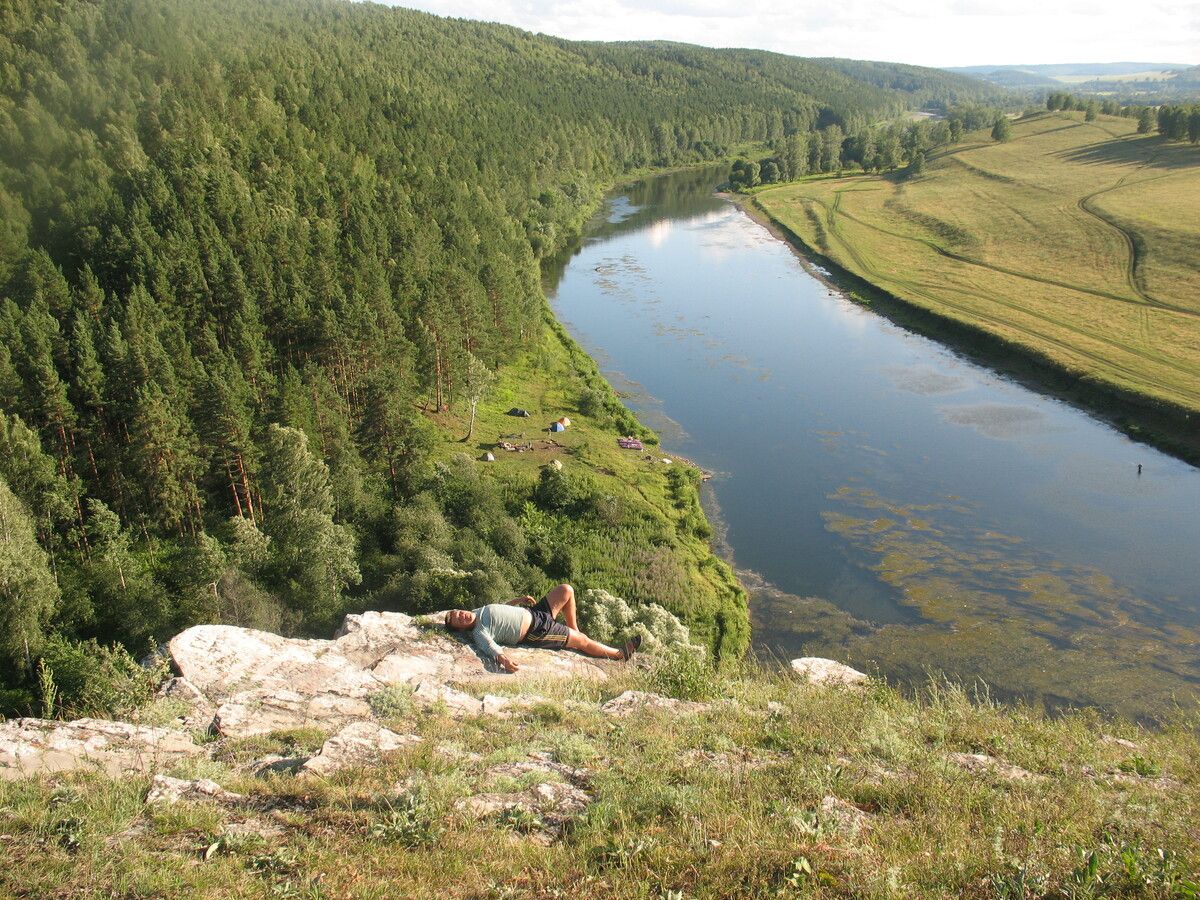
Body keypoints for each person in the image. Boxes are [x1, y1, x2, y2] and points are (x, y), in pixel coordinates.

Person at [445, 583, 639, 673]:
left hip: (535, 612)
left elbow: (500, 608)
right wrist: (503, 660)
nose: (461, 616)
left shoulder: (477, 611)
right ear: (461, 629)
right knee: (582, 642)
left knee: (567, 590)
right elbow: (489, 648)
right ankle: (619, 654)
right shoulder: (478, 632)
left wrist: (518, 600)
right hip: (537, 631)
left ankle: (574, 628)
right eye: (458, 620)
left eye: (458, 613)